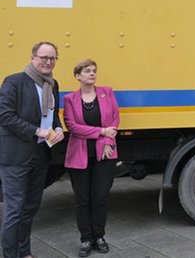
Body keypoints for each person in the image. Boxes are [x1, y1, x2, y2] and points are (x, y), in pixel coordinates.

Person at [0, 41, 65, 258]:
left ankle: (24, 252)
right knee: (14, 211)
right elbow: (5, 116)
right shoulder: (14, 82)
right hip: (16, 156)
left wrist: (57, 128)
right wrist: (38, 131)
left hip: (41, 154)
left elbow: (52, 114)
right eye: (44, 57)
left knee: (30, 207)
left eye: (52, 58)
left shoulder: (52, 84)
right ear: (32, 58)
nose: (48, 62)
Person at [63, 59, 119, 257]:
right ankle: (86, 239)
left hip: (105, 154)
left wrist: (106, 142)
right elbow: (73, 127)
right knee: (82, 199)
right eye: (87, 71)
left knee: (101, 197)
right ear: (77, 76)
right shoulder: (70, 100)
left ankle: (99, 236)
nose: (92, 74)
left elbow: (114, 120)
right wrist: (102, 131)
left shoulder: (107, 92)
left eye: (94, 71)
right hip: (79, 156)